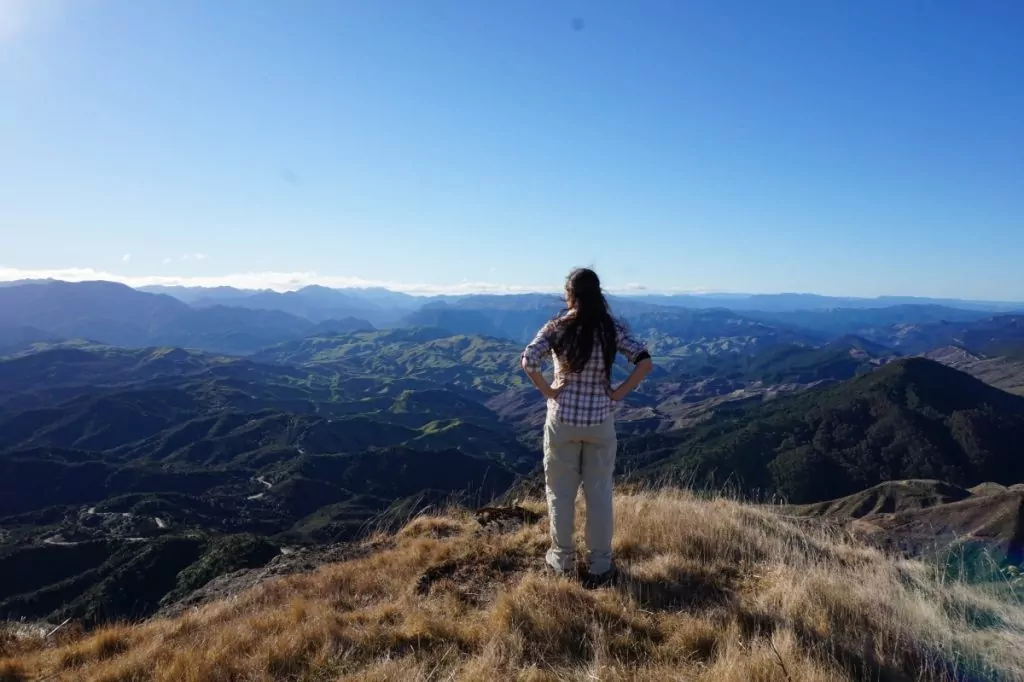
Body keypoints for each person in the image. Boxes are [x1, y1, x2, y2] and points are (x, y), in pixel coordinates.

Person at [520, 268, 653, 581]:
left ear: (570, 295)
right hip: (599, 421)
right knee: (599, 494)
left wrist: (549, 391)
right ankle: (600, 565)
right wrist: (618, 393)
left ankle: (562, 560)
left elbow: (528, 360)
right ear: (598, 294)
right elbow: (645, 361)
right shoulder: (611, 328)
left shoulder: (556, 327)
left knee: (560, 493)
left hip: (563, 419)